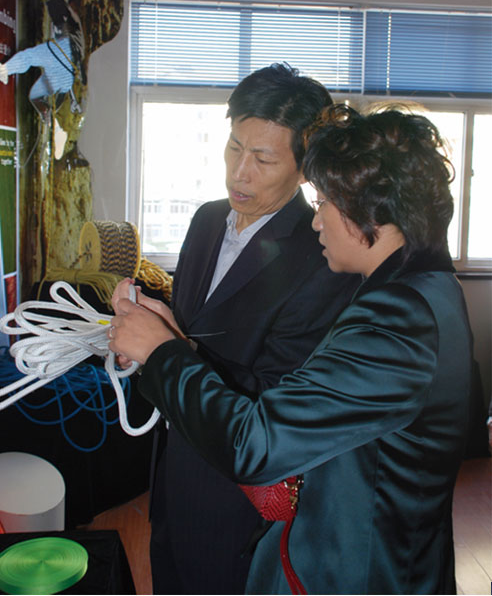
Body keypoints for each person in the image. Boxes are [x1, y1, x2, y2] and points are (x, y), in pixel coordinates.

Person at [110, 103, 473, 594]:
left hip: (354, 574)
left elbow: (255, 446)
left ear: (370, 211)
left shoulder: (398, 318)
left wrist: (162, 354)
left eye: (324, 203)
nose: (317, 221)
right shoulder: (424, 288)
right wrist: (177, 344)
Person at [120, 63, 360, 594]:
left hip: (236, 500)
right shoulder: (207, 219)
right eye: (234, 148)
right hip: (171, 473)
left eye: (263, 159)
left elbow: (278, 398)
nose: (239, 174)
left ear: (304, 169)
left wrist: (165, 352)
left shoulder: (321, 256)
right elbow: (192, 326)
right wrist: (142, 335)